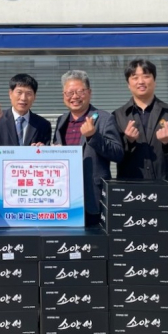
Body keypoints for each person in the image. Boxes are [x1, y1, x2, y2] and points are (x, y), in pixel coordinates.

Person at [53, 70, 124, 225]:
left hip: (92, 195)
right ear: (64, 95)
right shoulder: (61, 120)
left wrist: (93, 136)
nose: (75, 97)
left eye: (80, 91)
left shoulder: (104, 118)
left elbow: (118, 153)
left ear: (89, 93)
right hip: (65, 196)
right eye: (69, 92)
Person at [113, 59, 168, 180]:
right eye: (135, 78)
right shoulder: (118, 115)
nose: (141, 81)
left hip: (166, 185)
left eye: (146, 76)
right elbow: (112, 154)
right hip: (131, 187)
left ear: (155, 81)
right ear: (128, 84)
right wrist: (128, 141)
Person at [0, 73, 52, 205]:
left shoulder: (43, 124)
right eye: (19, 92)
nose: (23, 98)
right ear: (10, 94)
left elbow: (47, 160)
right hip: (0, 188)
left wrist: (43, 150)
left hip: (30, 189)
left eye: (28, 93)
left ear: (34, 97)